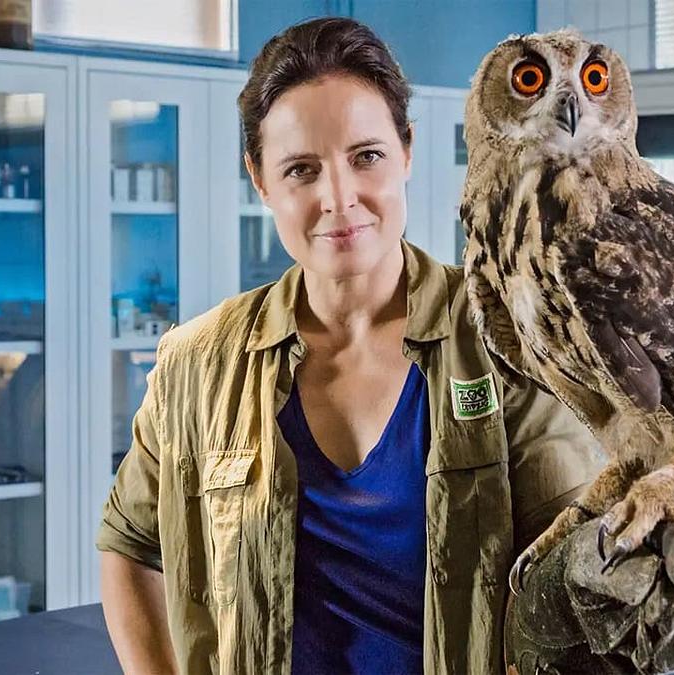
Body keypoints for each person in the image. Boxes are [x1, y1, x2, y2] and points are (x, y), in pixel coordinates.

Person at [96, 16, 602, 675]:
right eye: (301, 169)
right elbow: (130, 545)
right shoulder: (198, 363)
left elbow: (574, 557)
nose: (339, 198)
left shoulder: (506, 342)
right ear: (260, 178)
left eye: (366, 157)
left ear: (407, 151)